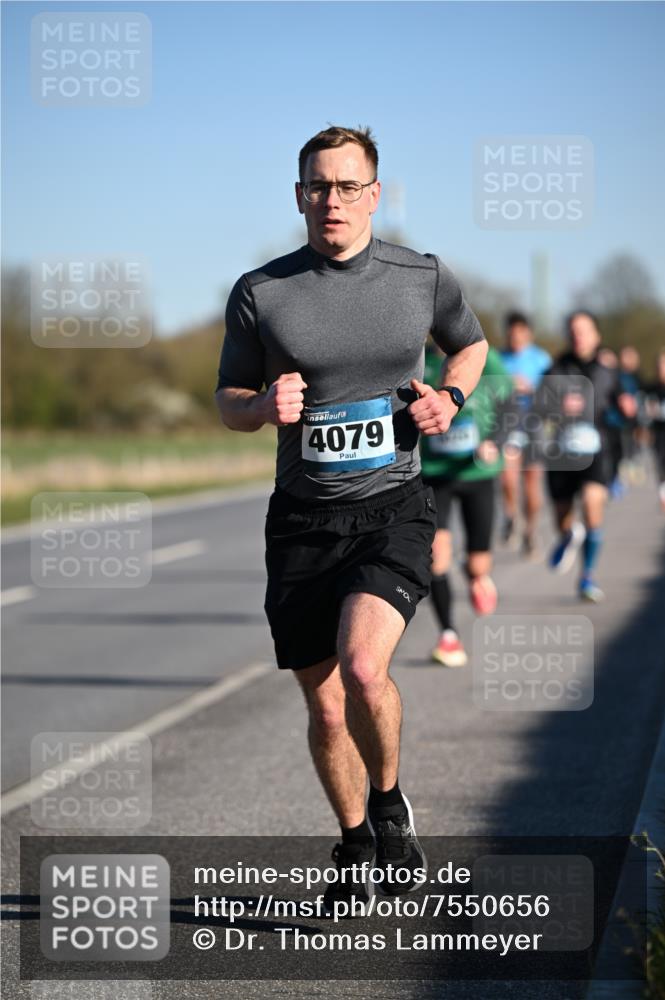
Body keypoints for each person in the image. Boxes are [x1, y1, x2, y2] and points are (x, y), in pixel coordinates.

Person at [215, 126, 487, 908]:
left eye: (345, 186)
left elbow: (469, 347)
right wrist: (260, 406)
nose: (329, 200)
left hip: (391, 508)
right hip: (302, 522)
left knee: (364, 669)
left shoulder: (419, 275)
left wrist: (450, 397)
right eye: (316, 186)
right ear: (298, 194)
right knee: (325, 703)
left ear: (373, 194)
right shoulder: (261, 292)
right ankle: (354, 842)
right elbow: (227, 400)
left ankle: (390, 804)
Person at [421, 342, 514, 667]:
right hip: (435, 474)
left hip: (478, 473)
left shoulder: (485, 357)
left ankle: (475, 575)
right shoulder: (418, 359)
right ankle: (448, 634)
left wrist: (495, 441)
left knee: (478, 565)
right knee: (436, 556)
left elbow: (510, 406)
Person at [538, 311, 637, 602]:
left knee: (593, 504)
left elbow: (623, 407)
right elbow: (539, 409)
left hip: (596, 449)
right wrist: (558, 407)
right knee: (562, 518)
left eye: (583, 330)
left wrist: (627, 408)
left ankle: (587, 576)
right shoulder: (555, 369)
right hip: (561, 453)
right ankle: (569, 535)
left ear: (596, 336)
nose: (578, 336)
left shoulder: (609, 372)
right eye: (573, 331)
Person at [499, 311, 552, 557]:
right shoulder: (498, 358)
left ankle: (531, 531)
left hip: (534, 423)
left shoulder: (541, 359)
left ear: (529, 334)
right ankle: (512, 516)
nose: (516, 338)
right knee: (508, 478)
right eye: (512, 334)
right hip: (509, 423)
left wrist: (531, 390)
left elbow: (553, 392)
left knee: (532, 483)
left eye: (521, 333)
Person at [643, 348, 665, 512]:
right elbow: (646, 411)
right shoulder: (651, 388)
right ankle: (664, 495)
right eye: (660, 365)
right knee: (662, 464)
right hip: (659, 433)